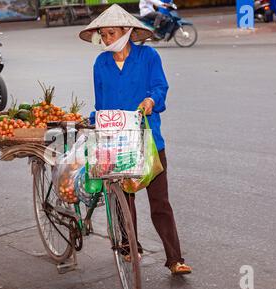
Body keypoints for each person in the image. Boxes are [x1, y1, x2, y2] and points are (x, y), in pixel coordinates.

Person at [79, 4, 192, 275]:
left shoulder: (148, 56)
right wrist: (94, 121)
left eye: (111, 33)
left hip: (149, 138)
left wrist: (152, 100)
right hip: (115, 142)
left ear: (126, 31)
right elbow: (101, 102)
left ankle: (174, 259)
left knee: (160, 202)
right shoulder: (101, 63)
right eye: (103, 35)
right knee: (122, 200)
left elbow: (160, 86)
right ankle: (130, 246)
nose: (106, 40)